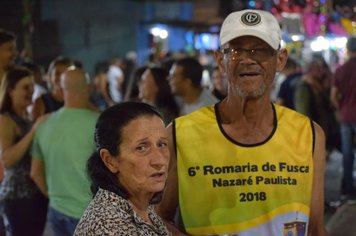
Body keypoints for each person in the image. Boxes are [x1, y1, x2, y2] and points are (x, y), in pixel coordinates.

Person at [158, 9, 328, 236]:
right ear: (220, 60)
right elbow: (157, 217)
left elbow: (315, 228)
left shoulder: (310, 135)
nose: (248, 60)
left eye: (261, 51)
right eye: (236, 50)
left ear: (280, 60)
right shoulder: (180, 134)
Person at [74, 102, 171, 235]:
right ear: (109, 160)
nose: (159, 160)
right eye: (141, 148)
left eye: (162, 144)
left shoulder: (138, 203)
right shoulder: (110, 227)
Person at [30, 67, 99, 236]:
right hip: (88, 214)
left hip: (56, 211)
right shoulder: (100, 124)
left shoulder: (44, 124)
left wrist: (55, 198)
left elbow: (35, 173)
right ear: (89, 89)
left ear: (61, 91)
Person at [0, 66, 48, 236]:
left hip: (34, 194)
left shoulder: (26, 116)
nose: (31, 91)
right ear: (11, 90)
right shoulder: (5, 119)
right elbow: (7, 159)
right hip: (17, 198)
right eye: (25, 87)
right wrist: (34, 129)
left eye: (32, 87)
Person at [330, 36, 356, 203]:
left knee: (347, 154)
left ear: (348, 49)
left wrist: (340, 110)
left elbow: (333, 97)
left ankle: (349, 191)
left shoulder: (341, 70)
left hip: (346, 116)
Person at [31, 56, 73, 121]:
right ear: (50, 76)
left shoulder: (77, 101)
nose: (61, 77)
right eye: (57, 73)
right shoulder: (41, 102)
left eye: (65, 73)